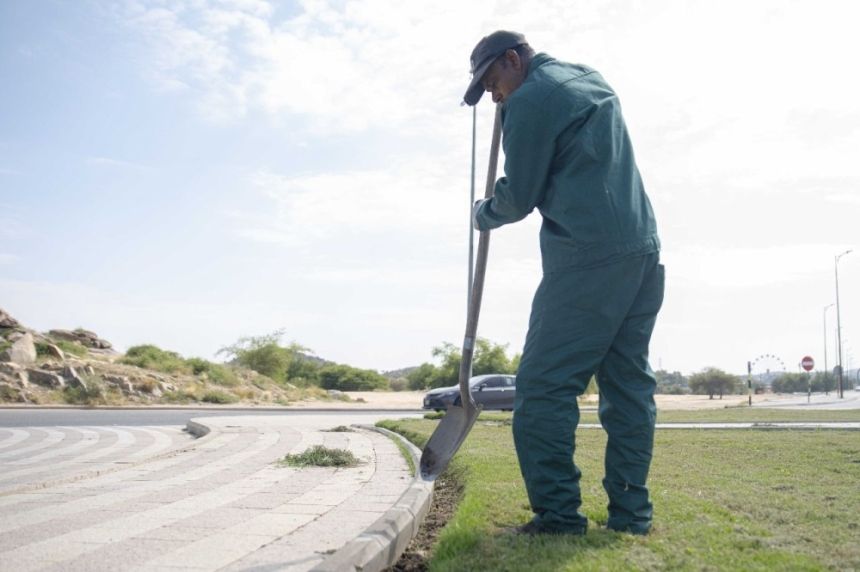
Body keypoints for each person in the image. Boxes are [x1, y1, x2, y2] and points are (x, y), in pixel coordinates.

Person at [465, 30, 664, 536]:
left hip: (588, 256)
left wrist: (483, 213)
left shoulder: (531, 99)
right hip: (642, 249)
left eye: (492, 82)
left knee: (543, 388)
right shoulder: (587, 78)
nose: (494, 95)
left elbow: (519, 196)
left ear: (514, 59)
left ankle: (558, 516)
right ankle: (631, 516)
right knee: (628, 387)